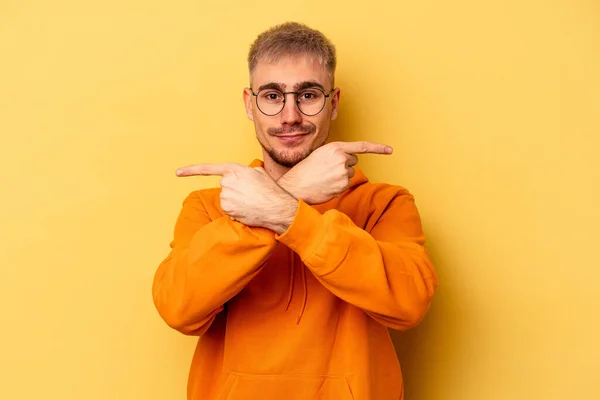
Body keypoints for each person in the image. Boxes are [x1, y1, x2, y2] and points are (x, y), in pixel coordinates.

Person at [152, 21, 438, 400]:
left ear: (333, 104)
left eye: (308, 95)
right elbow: (178, 308)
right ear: (249, 105)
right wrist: (294, 194)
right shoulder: (208, 206)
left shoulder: (384, 204)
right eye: (272, 96)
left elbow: (408, 302)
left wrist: (286, 212)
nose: (290, 116)